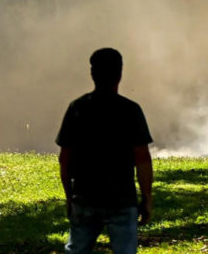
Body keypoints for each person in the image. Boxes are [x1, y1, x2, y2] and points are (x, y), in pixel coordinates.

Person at [56, 48, 154, 254]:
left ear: (92, 74)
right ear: (120, 74)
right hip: (122, 202)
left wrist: (69, 198)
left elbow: (64, 160)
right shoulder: (130, 110)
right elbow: (142, 159)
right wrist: (146, 198)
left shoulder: (77, 108)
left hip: (85, 199)